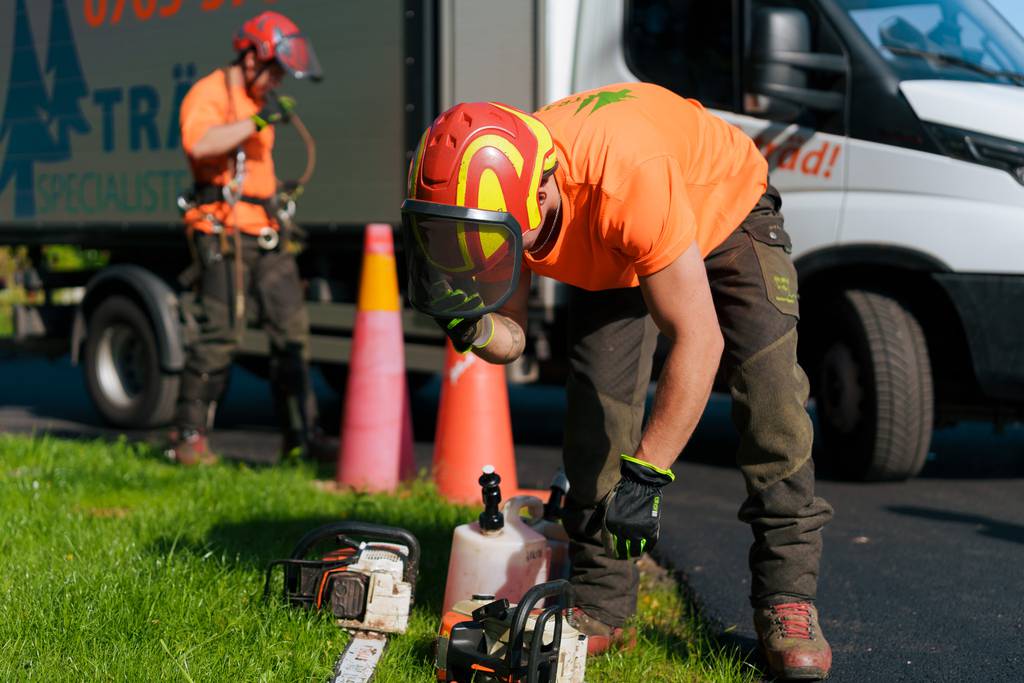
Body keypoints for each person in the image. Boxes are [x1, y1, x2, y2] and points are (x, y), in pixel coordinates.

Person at [400, 82, 834, 680]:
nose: (482, 252)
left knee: (771, 398)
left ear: (542, 190)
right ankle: (602, 604)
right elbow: (514, 338)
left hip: (723, 207)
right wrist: (474, 326)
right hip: (621, 238)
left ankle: (787, 600)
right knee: (596, 413)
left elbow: (700, 341)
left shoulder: (620, 180)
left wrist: (647, 475)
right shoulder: (505, 188)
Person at [166, 11, 326, 466]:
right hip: (222, 230)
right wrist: (256, 121)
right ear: (252, 57)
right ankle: (188, 438)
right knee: (220, 333)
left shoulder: (260, 101)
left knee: (292, 332)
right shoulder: (210, 92)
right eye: (275, 70)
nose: (278, 81)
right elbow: (200, 144)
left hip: (265, 230)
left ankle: (302, 438)